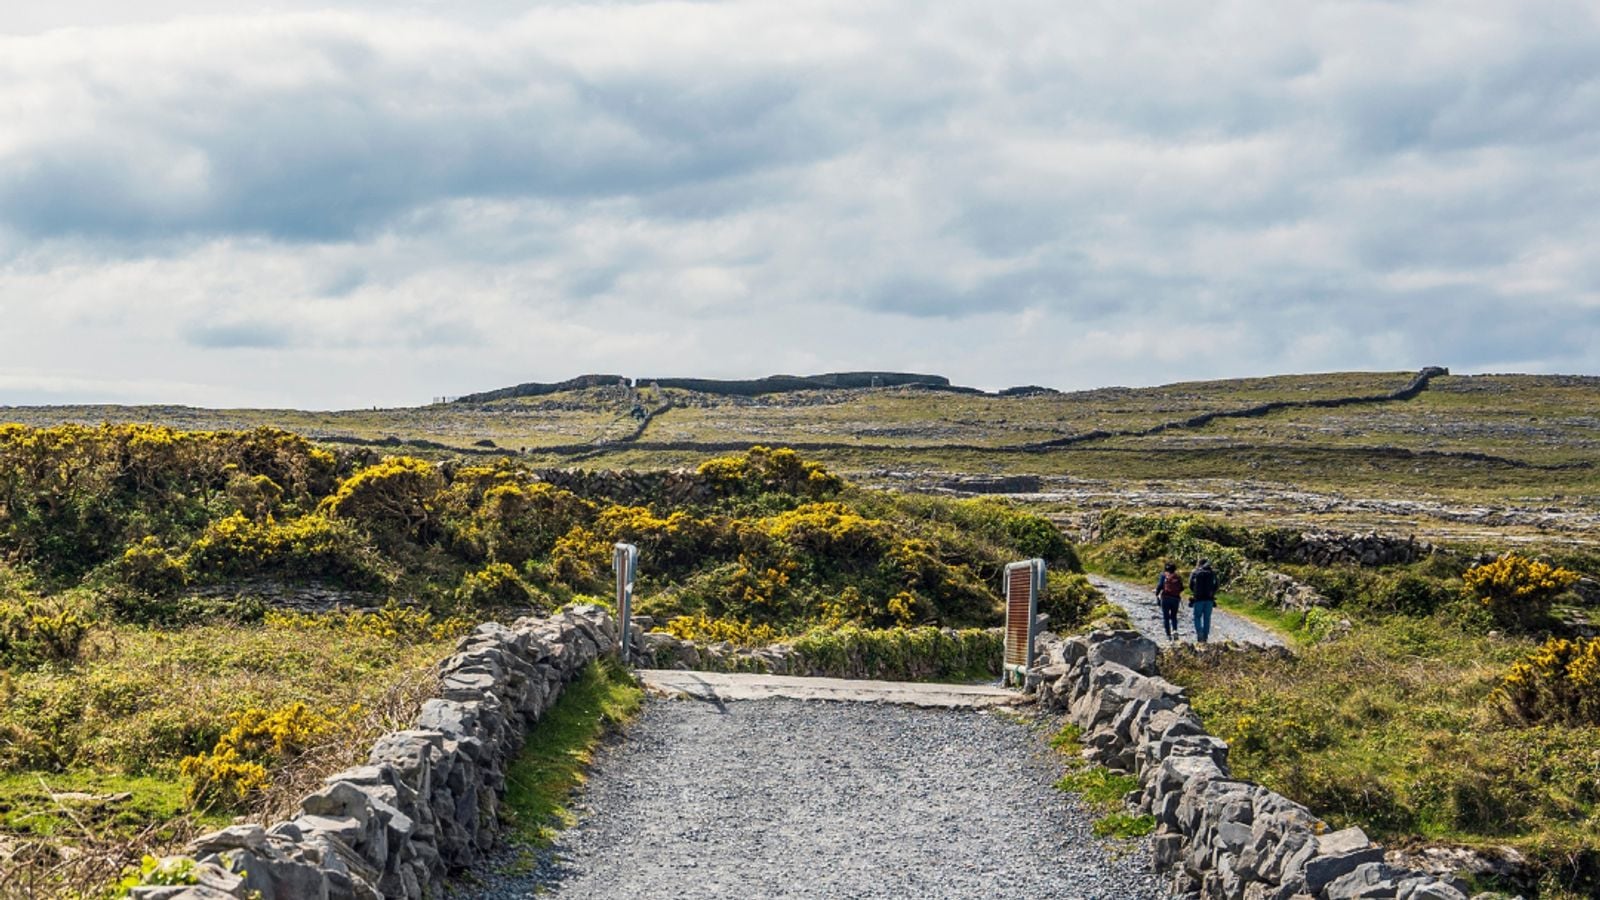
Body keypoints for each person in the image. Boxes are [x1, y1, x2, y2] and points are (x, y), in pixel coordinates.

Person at [1188, 558, 1218, 643]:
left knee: (1197, 617)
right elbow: (1216, 584)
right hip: (1209, 599)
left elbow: (1190, 584)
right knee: (1207, 618)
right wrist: (1213, 593)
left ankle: (1199, 633)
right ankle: (1205, 637)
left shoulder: (1195, 572)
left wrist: (1194, 592)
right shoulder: (1212, 573)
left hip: (1198, 598)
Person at [1155, 562, 1184, 640]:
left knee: (1166, 617)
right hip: (1175, 599)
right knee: (1174, 616)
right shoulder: (1177, 577)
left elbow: (1160, 585)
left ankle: (1168, 635)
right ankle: (1174, 630)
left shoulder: (1164, 575)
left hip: (1165, 598)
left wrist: (1157, 594)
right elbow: (1182, 588)